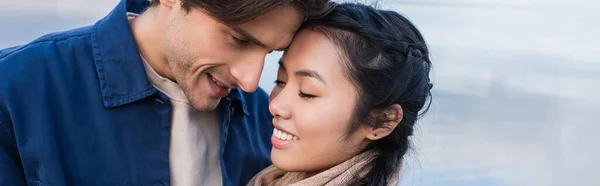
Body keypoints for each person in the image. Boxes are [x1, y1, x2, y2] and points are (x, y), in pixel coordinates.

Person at [0, 0, 334, 185]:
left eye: (270, 53)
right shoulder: (14, 89)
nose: (249, 82)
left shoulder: (266, 120)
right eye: (239, 39)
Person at [248, 3, 433, 186]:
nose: (274, 105)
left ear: (381, 121)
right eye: (280, 81)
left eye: (307, 93)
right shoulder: (269, 178)